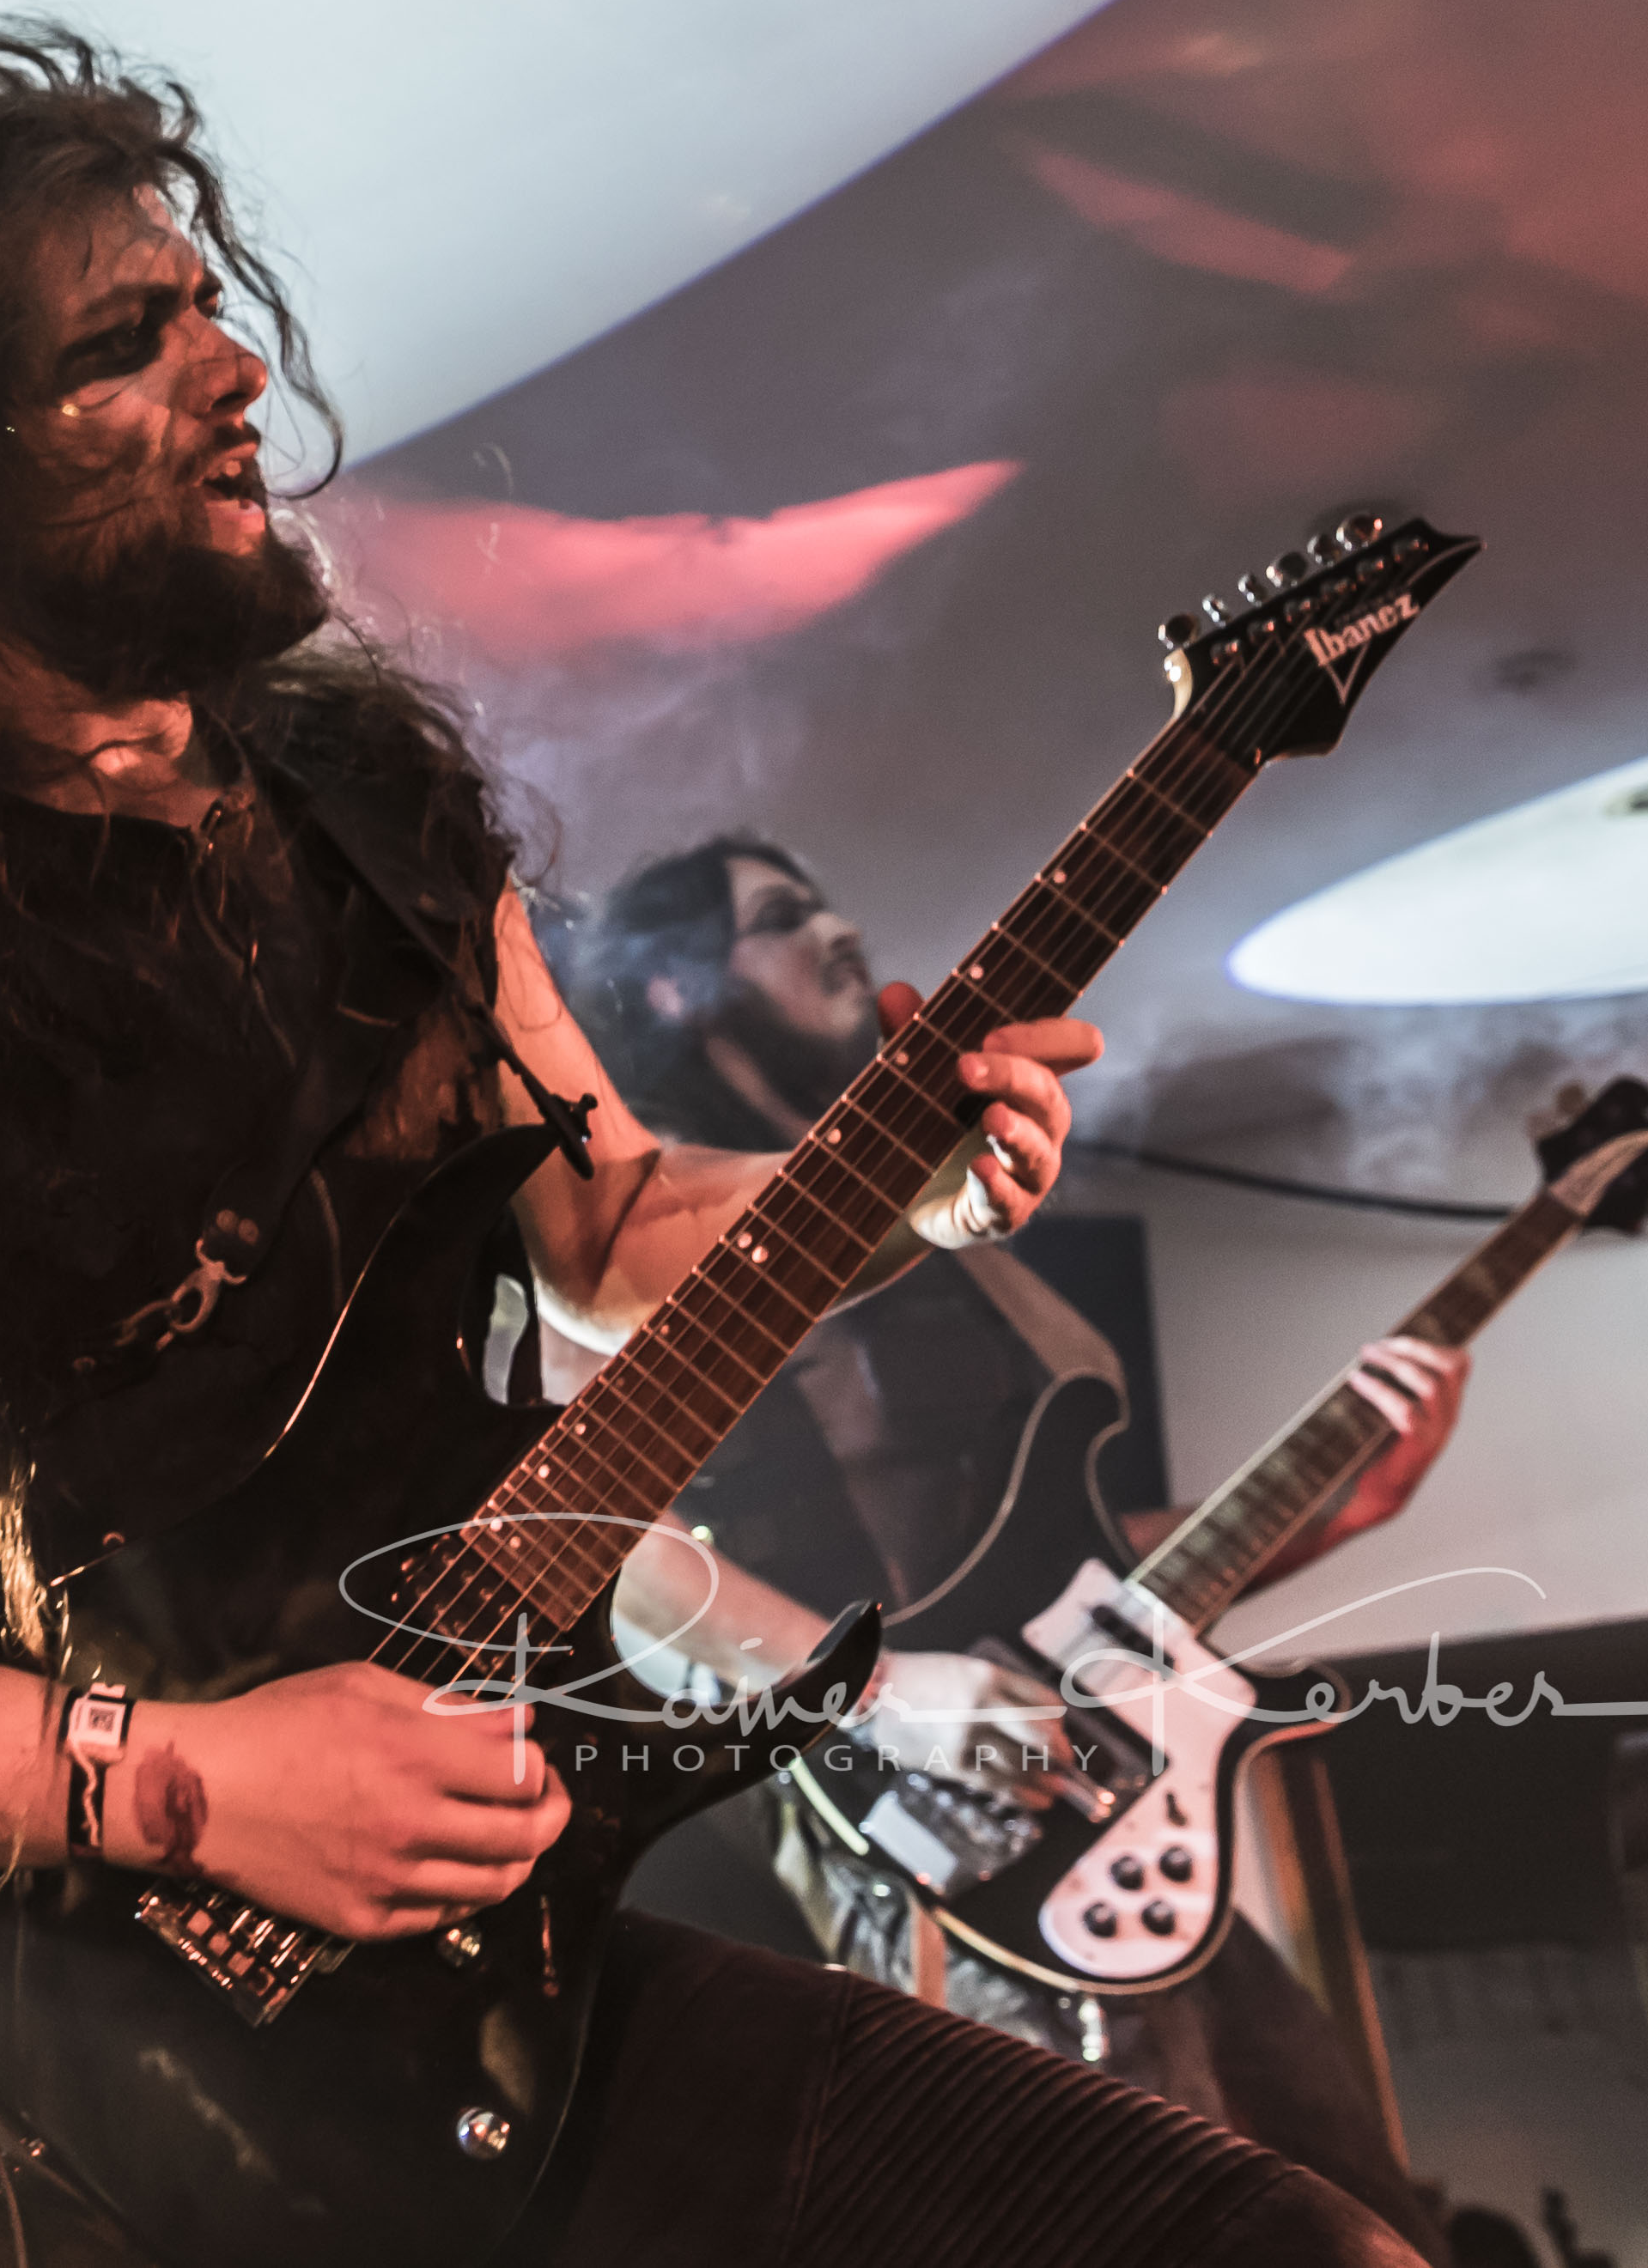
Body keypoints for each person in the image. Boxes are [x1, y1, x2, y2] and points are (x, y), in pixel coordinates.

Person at [0, 22, 1411, 2264]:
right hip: (23, 2071)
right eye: (123, 343)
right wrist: (185, 1781)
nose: (232, 374)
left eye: (209, 309)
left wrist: (902, 1183)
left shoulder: (362, 808)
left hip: (463, 1977)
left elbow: (614, 1228)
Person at [569, 835, 1468, 2256]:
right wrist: (879, 1693)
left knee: (1360, 2218)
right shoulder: (633, 1241)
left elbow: (1087, 1572)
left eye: (829, 897)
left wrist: (1337, 1509)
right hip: (919, 1857)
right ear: (675, 987)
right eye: (784, 915)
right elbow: (590, 1534)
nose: (840, 928)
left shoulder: (944, 1227)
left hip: (1105, 1805)